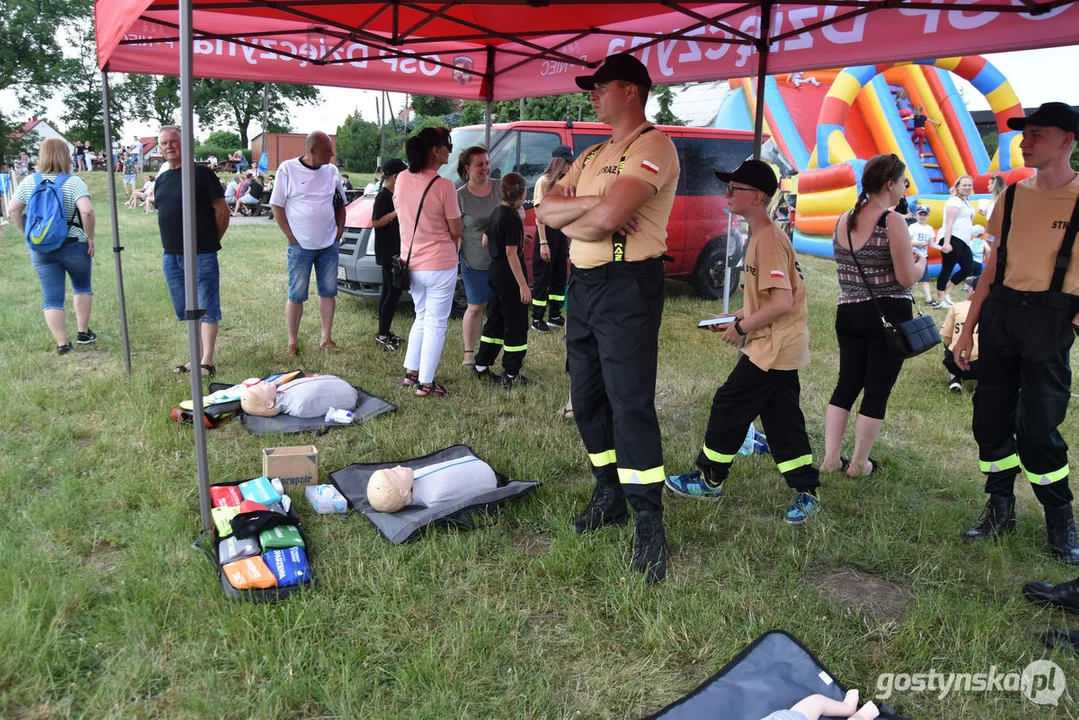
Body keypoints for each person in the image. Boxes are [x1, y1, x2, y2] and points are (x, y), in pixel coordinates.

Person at [536, 53, 680, 583]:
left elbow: (608, 221)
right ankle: (609, 492)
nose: (591, 95)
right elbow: (546, 209)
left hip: (628, 286)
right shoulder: (594, 151)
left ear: (630, 91)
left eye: (599, 87)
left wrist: (588, 212)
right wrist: (589, 210)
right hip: (585, 285)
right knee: (589, 396)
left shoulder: (653, 145)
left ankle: (648, 521)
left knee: (630, 401)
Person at [953, 102, 1079, 563]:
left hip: (1051, 320)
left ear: (1067, 140)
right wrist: (968, 330)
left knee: (1040, 427)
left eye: (1036, 134)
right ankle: (1000, 508)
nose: (1025, 141)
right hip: (1002, 315)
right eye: (1024, 134)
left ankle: (1059, 520)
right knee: (990, 416)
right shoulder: (1012, 195)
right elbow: (991, 269)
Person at [666, 160, 820, 524]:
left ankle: (710, 479)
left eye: (733, 189)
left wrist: (744, 326)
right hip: (779, 345)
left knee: (728, 403)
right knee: (783, 420)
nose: (726, 194)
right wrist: (737, 317)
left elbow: (782, 302)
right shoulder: (764, 234)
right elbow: (772, 297)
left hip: (773, 347)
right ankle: (806, 491)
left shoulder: (767, 239)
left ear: (757, 197)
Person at [820, 154, 926, 478]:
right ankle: (858, 464)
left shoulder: (843, 218)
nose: (906, 187)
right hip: (886, 314)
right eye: (904, 182)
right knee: (877, 388)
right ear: (890, 184)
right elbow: (907, 277)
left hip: (848, 312)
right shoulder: (891, 220)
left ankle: (830, 459)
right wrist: (920, 262)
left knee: (847, 385)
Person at [8, 138, 97, 354]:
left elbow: (13, 210)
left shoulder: (29, 182)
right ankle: (83, 332)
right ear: (66, 156)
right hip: (73, 245)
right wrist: (90, 237)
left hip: (41, 248)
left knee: (52, 296)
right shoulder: (73, 182)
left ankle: (62, 344)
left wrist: (27, 235)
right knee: (82, 286)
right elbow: (86, 211)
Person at [154, 126, 230, 377]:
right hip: (171, 255)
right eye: (163, 142)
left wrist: (209, 241)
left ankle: (207, 360)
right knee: (187, 308)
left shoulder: (202, 174)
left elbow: (221, 211)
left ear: (185, 143)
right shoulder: (162, 179)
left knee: (207, 305)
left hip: (201, 253)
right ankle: (194, 357)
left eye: (173, 141)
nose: (168, 146)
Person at [394, 126, 463, 397]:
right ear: (435, 151)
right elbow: (457, 230)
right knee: (436, 323)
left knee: (421, 316)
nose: (450, 151)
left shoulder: (401, 178)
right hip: (440, 263)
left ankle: (412, 373)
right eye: (448, 145)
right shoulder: (444, 186)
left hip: (409, 262)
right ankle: (426, 382)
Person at [270, 131, 347, 357]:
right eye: (327, 151)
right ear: (312, 151)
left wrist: (339, 230)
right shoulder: (287, 169)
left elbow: (340, 202)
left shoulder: (332, 171)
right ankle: (292, 343)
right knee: (296, 293)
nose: (332, 155)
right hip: (300, 245)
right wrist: (290, 235)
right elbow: (277, 205)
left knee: (328, 292)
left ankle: (326, 338)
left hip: (328, 244)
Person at [473, 172, 532, 386]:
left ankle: (481, 363)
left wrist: (514, 238)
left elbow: (485, 240)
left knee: (496, 318)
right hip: (509, 274)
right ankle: (511, 372)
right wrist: (523, 286)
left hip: (494, 271)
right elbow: (511, 254)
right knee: (516, 322)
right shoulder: (513, 217)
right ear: (523, 194)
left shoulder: (497, 212)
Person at [456, 145, 500, 367]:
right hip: (473, 260)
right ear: (467, 168)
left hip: (502, 260)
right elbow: (454, 232)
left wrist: (518, 234)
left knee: (499, 307)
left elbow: (517, 212)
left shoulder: (500, 188)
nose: (485, 168)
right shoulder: (460, 196)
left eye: (487, 163)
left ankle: (495, 352)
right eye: (480, 164)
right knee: (476, 306)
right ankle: (469, 354)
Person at [531, 145, 574, 331]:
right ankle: (537, 319)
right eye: (568, 163)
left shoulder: (566, 183)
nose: (571, 166)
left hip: (561, 233)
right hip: (546, 232)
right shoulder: (544, 181)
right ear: (560, 163)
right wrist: (543, 243)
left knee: (559, 275)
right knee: (542, 277)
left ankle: (554, 315)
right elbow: (539, 214)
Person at [372, 158, 406, 350]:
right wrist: (395, 214)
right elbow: (375, 221)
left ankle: (383, 331)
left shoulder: (396, 194)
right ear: (395, 176)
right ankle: (383, 335)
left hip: (396, 248)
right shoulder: (384, 196)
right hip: (387, 251)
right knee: (393, 292)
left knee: (388, 290)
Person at [932, 174, 976, 308]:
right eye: (964, 185)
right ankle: (940, 299)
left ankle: (946, 293)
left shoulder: (965, 201)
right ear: (958, 186)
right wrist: (946, 242)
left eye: (969, 185)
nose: (967, 187)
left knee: (968, 267)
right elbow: (949, 222)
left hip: (963, 240)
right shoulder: (954, 201)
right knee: (947, 268)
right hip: (952, 238)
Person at [941, 299, 978, 393]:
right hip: (983, 365)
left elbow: (947, 339)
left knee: (949, 343)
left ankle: (955, 378)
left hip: (957, 362)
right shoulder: (996, 310)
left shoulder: (957, 306)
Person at [908, 204, 935, 304]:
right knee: (912, 280)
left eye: (925, 215)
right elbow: (907, 242)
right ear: (916, 215)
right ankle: (908, 294)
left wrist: (942, 248)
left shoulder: (929, 228)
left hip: (923, 257)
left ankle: (929, 299)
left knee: (925, 279)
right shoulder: (912, 227)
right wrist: (918, 244)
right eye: (920, 214)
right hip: (913, 256)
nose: (922, 217)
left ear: (928, 216)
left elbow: (932, 243)